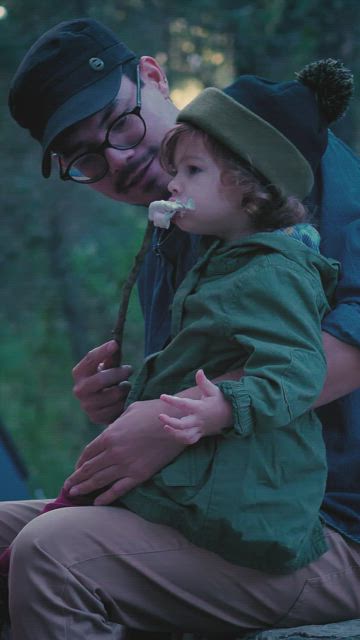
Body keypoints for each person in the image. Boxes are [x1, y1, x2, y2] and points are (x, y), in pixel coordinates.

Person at [1, 17, 360, 639]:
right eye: (85, 155)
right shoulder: (172, 237)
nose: (116, 157)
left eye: (119, 121)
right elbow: (211, 367)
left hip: (318, 522)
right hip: (214, 501)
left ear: (153, 75)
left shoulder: (275, 158)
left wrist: (176, 422)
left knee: (54, 557)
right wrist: (126, 404)